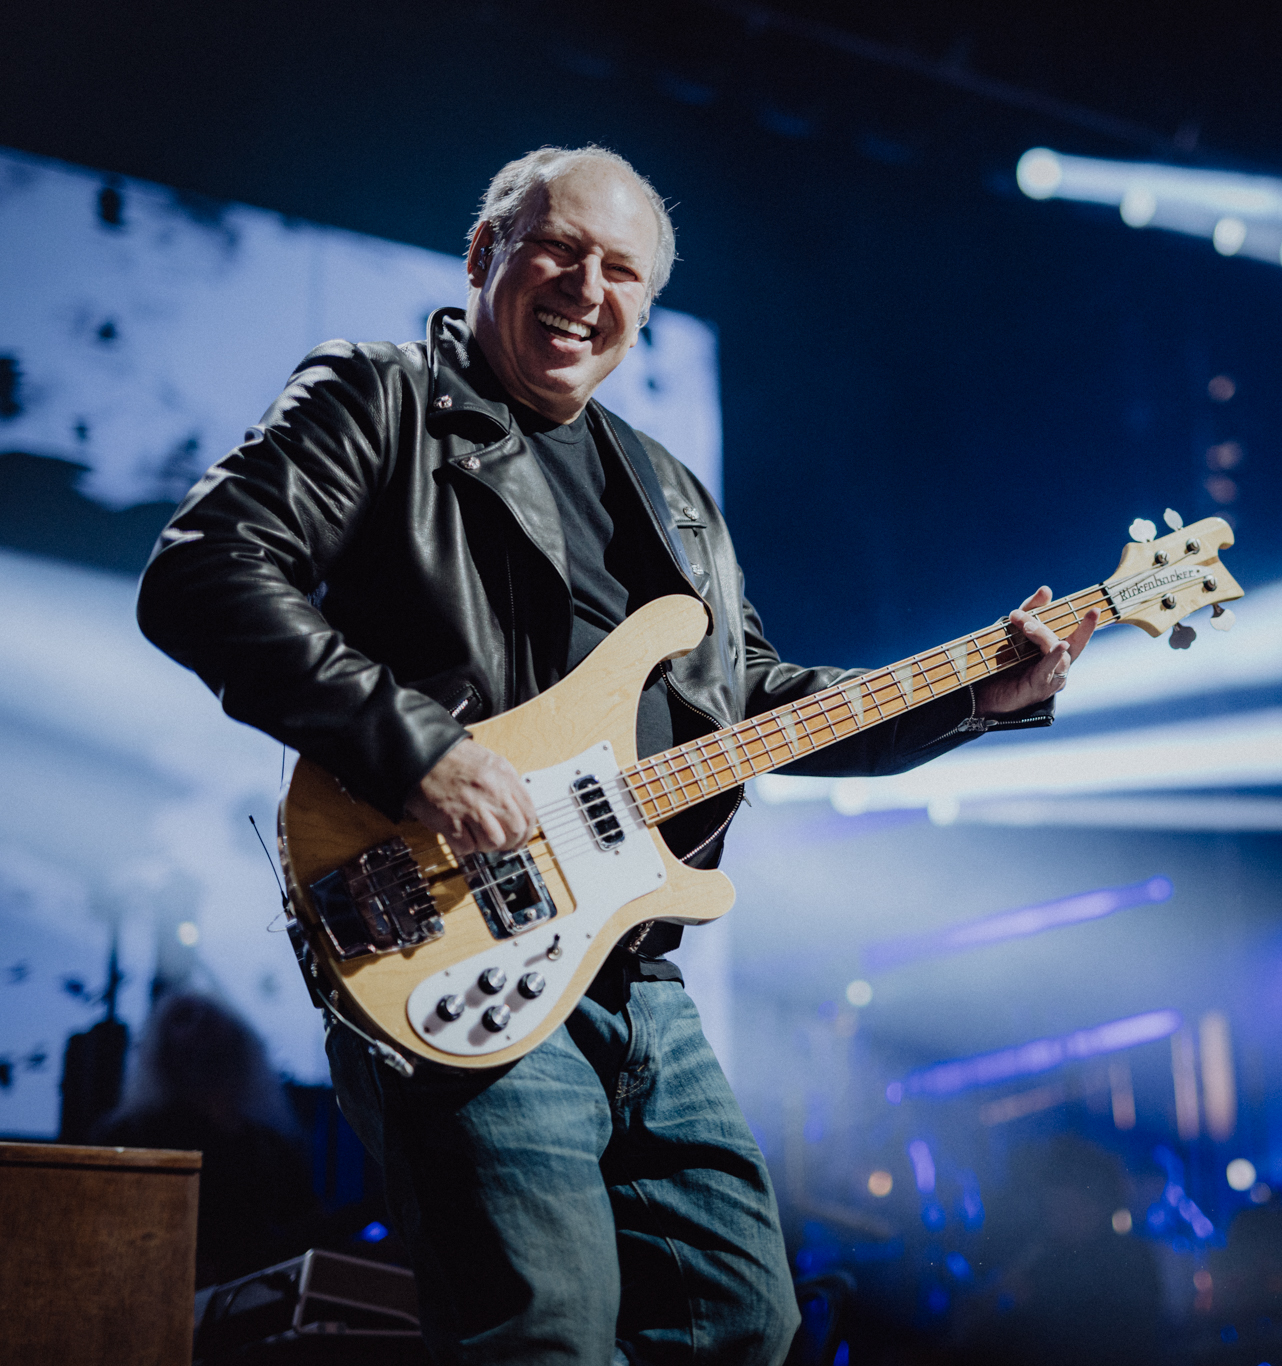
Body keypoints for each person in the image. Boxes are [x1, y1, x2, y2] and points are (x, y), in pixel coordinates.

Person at [136, 144, 1095, 1366]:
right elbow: (205, 570)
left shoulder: (672, 494)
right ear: (483, 255)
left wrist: (973, 696)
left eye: (622, 270)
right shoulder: (381, 398)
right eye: (558, 250)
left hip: (632, 968)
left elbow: (752, 703)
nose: (587, 288)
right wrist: (418, 750)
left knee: (740, 1321)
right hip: (455, 932)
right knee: (546, 1326)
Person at [93, 992, 318, 1287]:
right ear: (161, 1050)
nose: (199, 1026)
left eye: (210, 1018)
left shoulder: (273, 1149)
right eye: (184, 1017)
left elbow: (305, 1234)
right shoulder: (129, 1137)